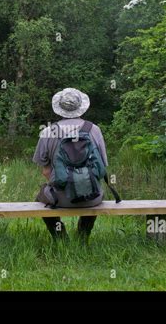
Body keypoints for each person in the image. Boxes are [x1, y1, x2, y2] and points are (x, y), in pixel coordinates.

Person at [32, 88, 109, 240]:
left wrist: (64, 184)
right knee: (97, 189)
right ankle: (83, 234)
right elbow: (102, 168)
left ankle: (59, 236)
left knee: (39, 196)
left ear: (59, 109)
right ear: (81, 107)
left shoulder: (48, 131)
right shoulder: (94, 130)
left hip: (59, 199)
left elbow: (46, 172)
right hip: (92, 197)